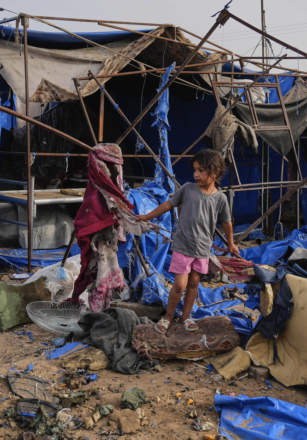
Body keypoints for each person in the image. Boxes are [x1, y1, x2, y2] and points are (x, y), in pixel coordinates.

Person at [135, 149, 239, 333]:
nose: (196, 174)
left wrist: (231, 244)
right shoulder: (187, 189)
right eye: (195, 170)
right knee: (180, 284)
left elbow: (227, 222)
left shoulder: (220, 198)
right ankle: (168, 317)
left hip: (202, 250)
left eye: (201, 170)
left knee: (193, 284)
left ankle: (186, 317)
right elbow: (169, 204)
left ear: (215, 172)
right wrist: (147, 217)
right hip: (183, 246)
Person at [69, 143, 133, 313]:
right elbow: (87, 219)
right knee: (96, 274)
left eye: (118, 167)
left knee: (103, 275)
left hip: (107, 242)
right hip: (97, 243)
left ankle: (102, 311)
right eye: (112, 167)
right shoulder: (96, 191)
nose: (116, 172)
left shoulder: (111, 192)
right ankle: (97, 314)